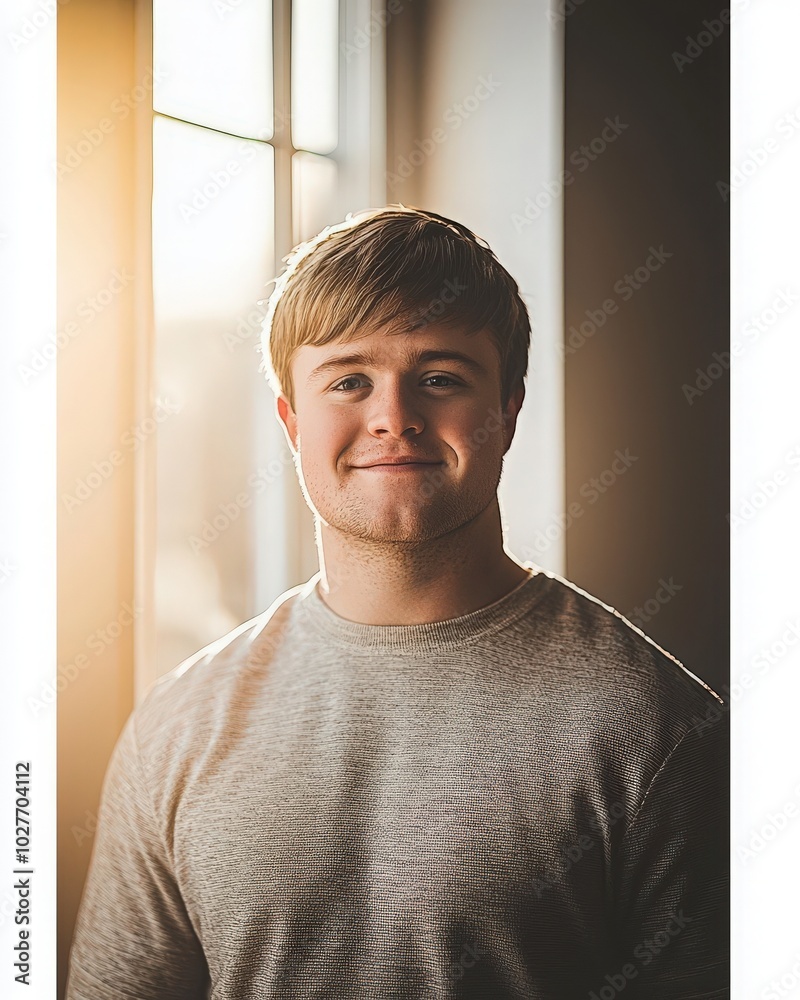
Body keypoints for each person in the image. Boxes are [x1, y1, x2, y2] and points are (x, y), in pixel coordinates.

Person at [66, 206, 729, 999]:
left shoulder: (658, 730)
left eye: (440, 378)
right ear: (291, 421)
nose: (394, 417)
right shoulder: (177, 725)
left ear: (508, 412)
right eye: (349, 381)